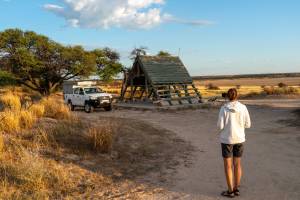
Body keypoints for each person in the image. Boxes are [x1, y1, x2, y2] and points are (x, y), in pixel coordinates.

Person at [217, 88, 251, 198]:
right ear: (237, 96)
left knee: (228, 166)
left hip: (227, 140)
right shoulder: (243, 107)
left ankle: (230, 191)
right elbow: (248, 124)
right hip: (239, 139)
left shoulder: (223, 108)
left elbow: (220, 126)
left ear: (227, 96)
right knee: (237, 164)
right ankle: (236, 188)